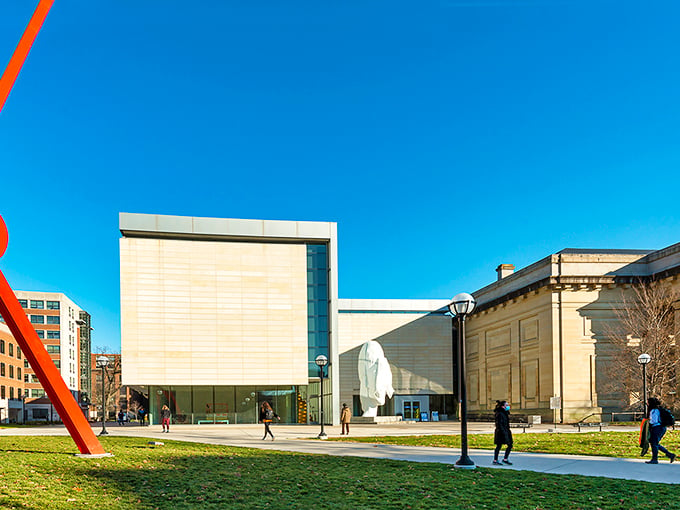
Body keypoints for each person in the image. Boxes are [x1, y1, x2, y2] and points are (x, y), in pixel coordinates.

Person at [646, 397, 676, 464]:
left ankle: (655, 459)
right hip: (661, 428)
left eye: (648, 402)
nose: (647, 403)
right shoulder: (659, 409)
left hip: (657, 428)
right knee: (655, 443)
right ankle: (670, 455)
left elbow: (654, 421)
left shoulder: (654, 410)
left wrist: (647, 422)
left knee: (654, 444)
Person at [493, 400, 513, 466]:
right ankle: (495, 460)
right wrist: (503, 432)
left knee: (510, 445)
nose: (508, 406)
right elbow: (499, 424)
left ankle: (505, 459)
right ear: (502, 406)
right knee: (499, 445)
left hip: (506, 431)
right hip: (501, 432)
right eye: (506, 405)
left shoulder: (505, 413)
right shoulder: (499, 414)